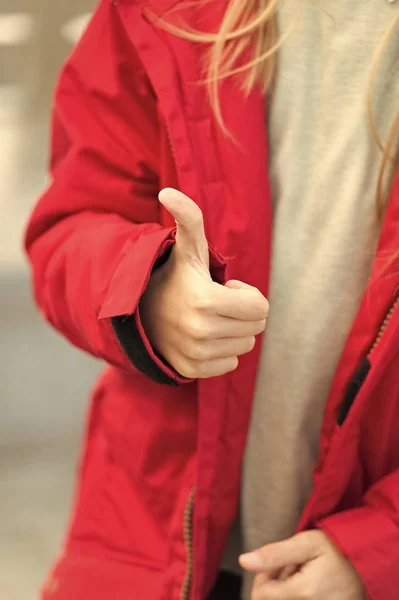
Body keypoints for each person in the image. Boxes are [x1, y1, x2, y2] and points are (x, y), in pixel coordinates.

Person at [25, 0, 399, 598]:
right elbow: (70, 222)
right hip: (159, 542)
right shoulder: (162, 9)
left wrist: (381, 550)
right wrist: (147, 292)